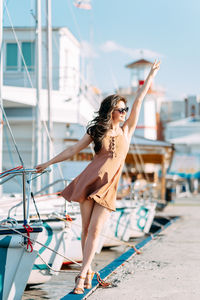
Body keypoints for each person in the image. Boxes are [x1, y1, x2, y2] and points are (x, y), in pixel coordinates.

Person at [36, 59, 161, 294]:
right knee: (85, 231)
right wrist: (48, 163)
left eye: (125, 109)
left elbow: (140, 102)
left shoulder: (127, 131)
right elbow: (73, 150)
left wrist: (151, 76)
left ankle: (82, 275)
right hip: (88, 180)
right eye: (120, 109)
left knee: (95, 230)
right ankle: (88, 271)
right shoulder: (96, 131)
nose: (124, 113)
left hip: (108, 186)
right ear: (111, 110)